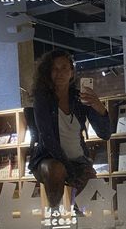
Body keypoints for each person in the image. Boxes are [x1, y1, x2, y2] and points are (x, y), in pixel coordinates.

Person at [28, 50, 111, 211]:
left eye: (64, 68)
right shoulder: (43, 99)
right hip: (48, 158)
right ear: (48, 72)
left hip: (78, 159)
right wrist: (70, 170)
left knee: (91, 185)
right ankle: (54, 215)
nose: (60, 73)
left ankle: (79, 219)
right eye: (55, 68)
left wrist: (99, 107)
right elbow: (47, 137)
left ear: (72, 72)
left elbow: (105, 134)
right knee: (56, 169)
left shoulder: (78, 98)